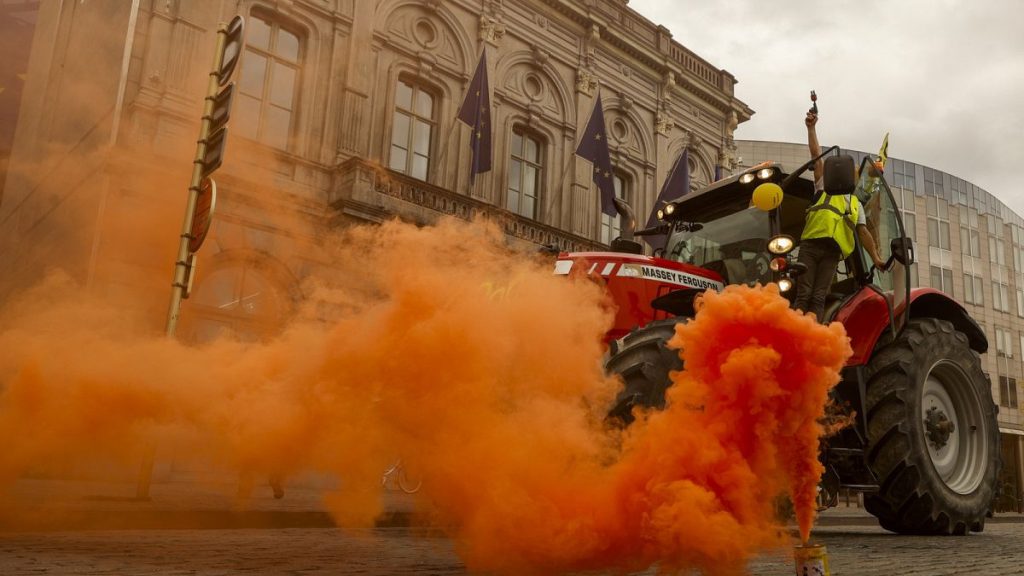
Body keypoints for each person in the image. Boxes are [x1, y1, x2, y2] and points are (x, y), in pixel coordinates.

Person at [794, 111, 887, 322]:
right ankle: (795, 332)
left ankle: (812, 334)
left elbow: (864, 234)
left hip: (832, 252)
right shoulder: (824, 186)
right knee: (804, 293)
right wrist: (811, 128)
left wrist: (876, 259)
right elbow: (816, 155)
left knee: (818, 296)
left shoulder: (855, 205)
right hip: (811, 245)